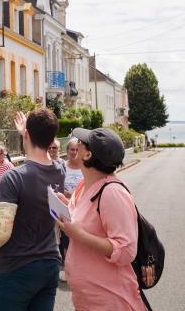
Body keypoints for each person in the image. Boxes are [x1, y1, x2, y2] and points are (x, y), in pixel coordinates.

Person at [0, 109, 65, 311]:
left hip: (17, 267)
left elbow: (1, 232)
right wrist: (28, 133)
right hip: (49, 263)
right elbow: (42, 156)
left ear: (27, 135)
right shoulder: (59, 171)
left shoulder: (14, 177)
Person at [57, 128, 145, 310]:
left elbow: (127, 250)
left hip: (110, 299)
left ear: (88, 155)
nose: (75, 146)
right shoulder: (84, 185)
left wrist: (79, 235)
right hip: (88, 299)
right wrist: (64, 205)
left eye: (80, 143)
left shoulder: (112, 192)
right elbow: (84, 217)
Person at [59, 137, 83, 281]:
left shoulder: (85, 167)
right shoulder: (62, 167)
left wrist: (73, 194)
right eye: (71, 149)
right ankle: (69, 272)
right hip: (65, 208)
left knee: (79, 240)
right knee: (66, 241)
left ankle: (80, 270)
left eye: (76, 150)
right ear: (66, 151)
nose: (74, 152)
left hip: (82, 209)